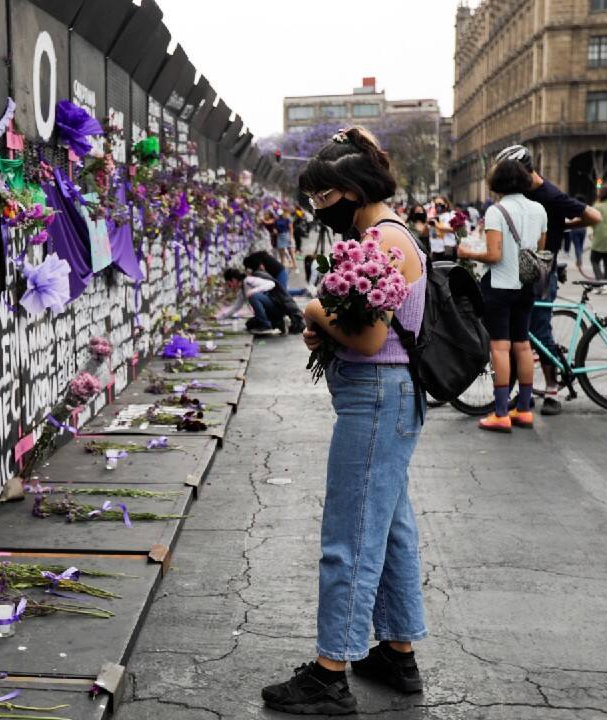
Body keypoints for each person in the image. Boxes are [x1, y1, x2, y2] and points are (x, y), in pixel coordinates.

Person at [262, 127, 427, 715]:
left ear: (352, 189)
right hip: (389, 397)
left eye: (323, 198)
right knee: (390, 526)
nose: (317, 210)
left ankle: (330, 673)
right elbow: (362, 328)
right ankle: (396, 652)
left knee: (351, 533)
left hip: (377, 399)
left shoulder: (380, 242)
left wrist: (313, 309)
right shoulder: (389, 233)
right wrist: (327, 323)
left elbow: (369, 335)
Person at [496, 144, 601, 416]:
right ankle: (525, 392)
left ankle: (552, 389)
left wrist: (562, 225)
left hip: (542, 272)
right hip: (520, 271)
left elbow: (594, 216)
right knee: (522, 332)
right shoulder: (520, 193)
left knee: (539, 329)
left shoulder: (550, 194)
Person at [457, 157, 547, 432]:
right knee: (523, 345)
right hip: (526, 286)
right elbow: (537, 251)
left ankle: (500, 412)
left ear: (498, 183)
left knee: (499, 347)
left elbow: (494, 255)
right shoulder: (539, 209)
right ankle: (524, 410)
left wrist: (467, 252)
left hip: (499, 286)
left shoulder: (497, 211)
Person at [218, 267, 304, 336]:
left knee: (253, 296)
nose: (230, 287)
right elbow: (236, 307)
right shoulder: (242, 290)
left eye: (229, 284)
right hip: (270, 312)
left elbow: (271, 284)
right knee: (250, 324)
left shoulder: (249, 280)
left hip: (277, 306)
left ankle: (266, 325)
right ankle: (279, 323)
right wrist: (221, 317)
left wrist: (254, 291)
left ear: (234, 280)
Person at [244, 249, 308, 296]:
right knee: (281, 292)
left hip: (280, 273)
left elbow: (262, 270)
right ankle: (302, 291)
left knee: (282, 292)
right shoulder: (262, 257)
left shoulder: (259, 262)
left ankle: (303, 291)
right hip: (279, 273)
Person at [429, 196, 457, 262]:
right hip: (436, 250)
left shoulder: (451, 215)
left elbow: (455, 229)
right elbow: (432, 235)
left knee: (449, 269)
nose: (438, 206)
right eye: (436, 204)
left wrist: (438, 226)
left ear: (446, 205)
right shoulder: (434, 217)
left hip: (448, 248)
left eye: (440, 203)